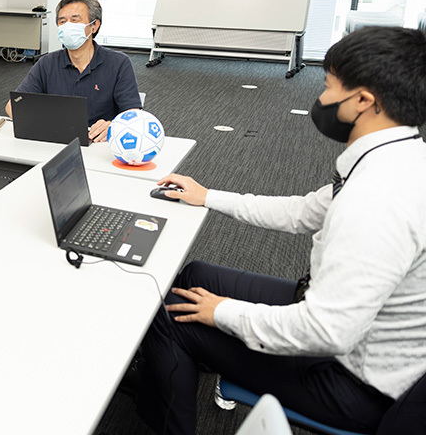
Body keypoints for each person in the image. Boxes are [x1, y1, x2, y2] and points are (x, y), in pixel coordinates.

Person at [135, 26, 426, 435]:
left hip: (353, 382)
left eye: (328, 87)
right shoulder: (398, 155)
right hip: (352, 328)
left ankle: (171, 399)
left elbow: (325, 332)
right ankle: (178, 366)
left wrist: (223, 313)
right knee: (192, 278)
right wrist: (208, 196)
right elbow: (304, 212)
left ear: (364, 100)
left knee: (170, 318)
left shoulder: (377, 199)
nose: (321, 99)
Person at [4, 0, 141, 143]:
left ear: (94, 26)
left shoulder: (118, 63)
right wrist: (42, 126)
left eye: (75, 20)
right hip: (55, 141)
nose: (67, 26)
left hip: (99, 143)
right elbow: (13, 106)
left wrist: (114, 126)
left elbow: (133, 115)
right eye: (62, 21)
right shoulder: (47, 63)